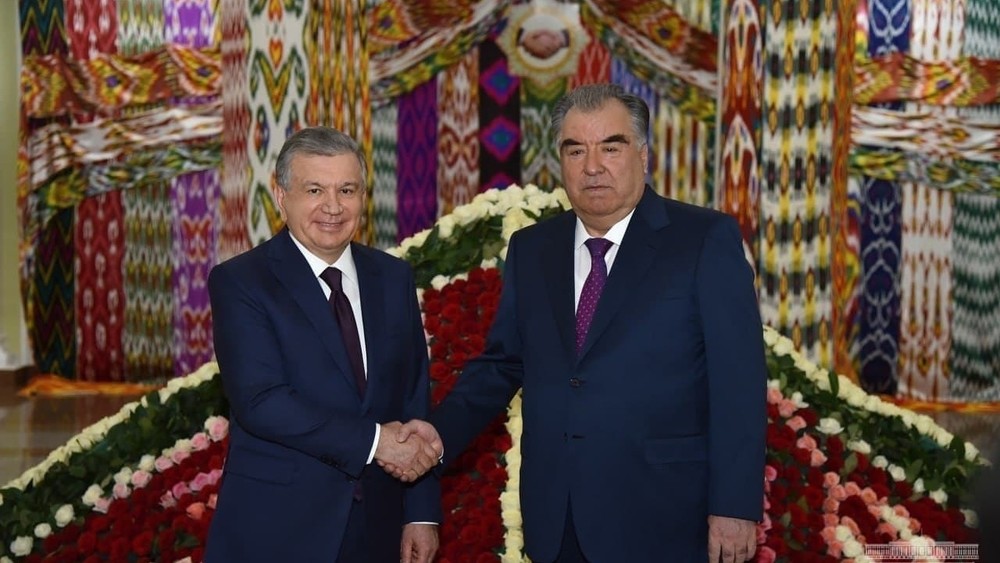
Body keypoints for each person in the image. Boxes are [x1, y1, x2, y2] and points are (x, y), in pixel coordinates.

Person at [390, 83, 767, 562]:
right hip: (557, 517)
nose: (592, 166)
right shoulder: (533, 249)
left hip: (666, 514)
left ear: (642, 155)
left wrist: (733, 505)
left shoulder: (703, 239)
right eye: (575, 150)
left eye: (611, 147)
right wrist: (438, 435)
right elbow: (503, 364)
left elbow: (738, 381)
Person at [205, 126, 442, 563]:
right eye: (315, 190)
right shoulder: (241, 282)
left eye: (346, 190)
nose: (333, 207)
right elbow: (261, 401)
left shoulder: (393, 276)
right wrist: (375, 441)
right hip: (279, 528)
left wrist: (422, 513)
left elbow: (413, 397)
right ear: (282, 196)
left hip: (379, 526)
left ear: (363, 197)